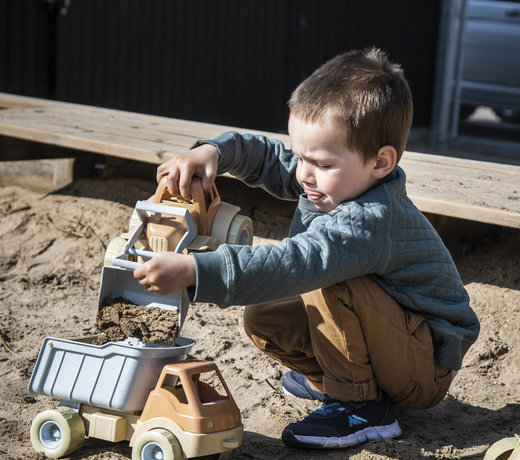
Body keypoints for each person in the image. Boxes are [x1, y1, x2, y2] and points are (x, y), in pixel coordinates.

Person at [134, 48, 480, 450]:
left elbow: (297, 262)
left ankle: (361, 406)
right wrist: (214, 152)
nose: (303, 173)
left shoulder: (369, 219)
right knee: (265, 317)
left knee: (329, 279)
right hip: (393, 342)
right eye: (300, 156)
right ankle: (337, 381)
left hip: (426, 364)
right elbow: (267, 157)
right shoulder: (333, 178)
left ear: (381, 163)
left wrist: (198, 270)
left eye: (320, 163)